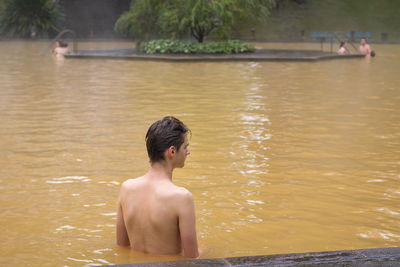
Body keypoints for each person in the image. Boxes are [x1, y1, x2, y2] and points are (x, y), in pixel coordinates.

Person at [116, 116, 199, 259]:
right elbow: (192, 259)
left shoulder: (126, 188)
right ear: (172, 151)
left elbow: (122, 247)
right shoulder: (182, 197)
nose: (188, 152)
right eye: (185, 147)